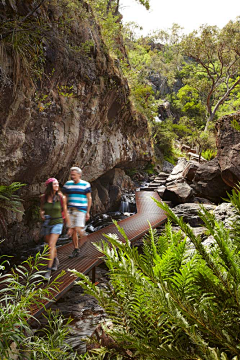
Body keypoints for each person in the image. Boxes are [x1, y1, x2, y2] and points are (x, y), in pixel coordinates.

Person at [40, 177, 70, 279]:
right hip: (48, 223)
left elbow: (65, 211)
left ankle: (48, 271)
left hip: (58, 222)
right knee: (50, 245)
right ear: (49, 186)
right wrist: (42, 215)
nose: (57, 186)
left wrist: (69, 225)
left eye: (57, 184)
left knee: (51, 245)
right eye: (55, 184)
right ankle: (55, 259)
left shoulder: (61, 197)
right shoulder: (43, 198)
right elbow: (42, 209)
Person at [62, 166, 92, 258]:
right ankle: (76, 249)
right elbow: (64, 197)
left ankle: (86, 240)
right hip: (71, 210)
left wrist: (87, 212)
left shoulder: (85, 184)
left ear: (79, 175)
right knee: (73, 230)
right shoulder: (68, 184)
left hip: (81, 210)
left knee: (77, 228)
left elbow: (89, 198)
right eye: (71, 175)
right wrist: (64, 209)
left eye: (74, 175)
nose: (72, 177)